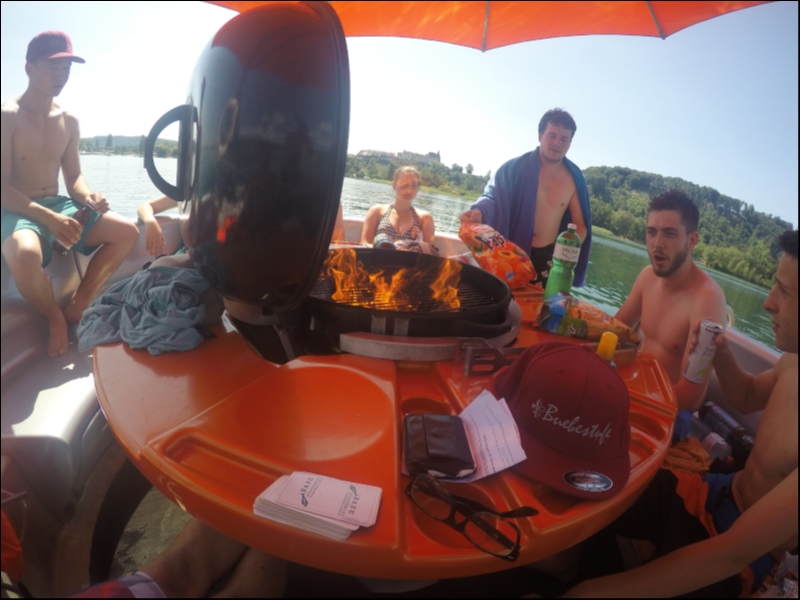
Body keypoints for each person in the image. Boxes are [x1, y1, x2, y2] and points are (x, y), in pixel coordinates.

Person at [562, 229, 797, 598]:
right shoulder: (792, 361)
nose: (768, 302)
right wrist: (721, 353)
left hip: (741, 554)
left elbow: (731, 554)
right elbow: (747, 396)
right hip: (714, 492)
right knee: (591, 492)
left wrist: (593, 591)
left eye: (784, 291)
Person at [1, 31, 139, 357]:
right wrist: (49, 219)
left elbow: (74, 177)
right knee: (25, 255)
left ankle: (79, 304)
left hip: (58, 205)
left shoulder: (69, 120)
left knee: (127, 232)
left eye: (67, 68)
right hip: (16, 207)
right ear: (29, 68)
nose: (62, 76)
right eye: (54, 67)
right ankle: (55, 318)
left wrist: (89, 197)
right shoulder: (7, 117)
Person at [615, 189, 727, 411]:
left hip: (669, 411)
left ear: (691, 240)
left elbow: (690, 394)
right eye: (651, 232)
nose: (657, 243)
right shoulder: (647, 277)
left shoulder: (707, 298)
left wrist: (628, 405)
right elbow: (614, 330)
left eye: (669, 233)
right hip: (632, 387)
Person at [461, 108, 591, 288]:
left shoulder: (574, 180)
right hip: (509, 252)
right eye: (552, 135)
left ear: (570, 143)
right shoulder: (514, 168)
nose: (557, 143)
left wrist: (564, 257)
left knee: (536, 304)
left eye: (564, 139)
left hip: (548, 258)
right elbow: (492, 195)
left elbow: (580, 226)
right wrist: (479, 211)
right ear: (540, 135)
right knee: (501, 299)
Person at [360, 166, 435, 247]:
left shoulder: (424, 218)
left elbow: (427, 251)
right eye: (404, 184)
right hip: (379, 255)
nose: (409, 190)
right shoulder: (376, 212)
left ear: (418, 188)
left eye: (414, 186)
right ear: (394, 185)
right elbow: (365, 245)